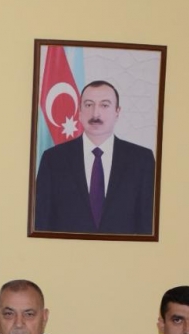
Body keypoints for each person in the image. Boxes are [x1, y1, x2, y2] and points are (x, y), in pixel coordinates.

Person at [33, 80, 155, 235]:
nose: (95, 114)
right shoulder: (53, 160)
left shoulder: (142, 160)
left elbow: (148, 225)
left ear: (117, 112)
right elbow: (41, 222)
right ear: (79, 111)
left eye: (104, 105)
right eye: (89, 105)